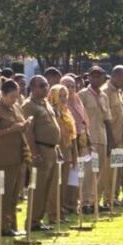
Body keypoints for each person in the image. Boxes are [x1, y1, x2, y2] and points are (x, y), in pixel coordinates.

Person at [22, 76, 61, 231]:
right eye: (41, 86)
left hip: (51, 149)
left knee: (47, 187)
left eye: (46, 85)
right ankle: (31, 221)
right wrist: (34, 152)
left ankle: (38, 220)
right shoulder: (29, 106)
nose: (46, 88)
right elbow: (28, 131)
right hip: (40, 149)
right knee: (37, 187)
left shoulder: (45, 103)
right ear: (33, 88)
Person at [0, 80, 28, 236]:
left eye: (17, 96)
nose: (15, 100)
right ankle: (4, 227)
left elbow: (20, 124)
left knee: (14, 195)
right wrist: (11, 129)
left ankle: (12, 225)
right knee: (4, 195)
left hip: (17, 157)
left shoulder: (16, 107)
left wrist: (24, 125)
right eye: (12, 96)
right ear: (3, 95)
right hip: (3, 158)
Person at [77, 67, 110, 214]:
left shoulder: (104, 96)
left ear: (104, 78)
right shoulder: (82, 95)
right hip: (89, 139)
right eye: (93, 76)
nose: (96, 79)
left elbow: (107, 119)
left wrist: (111, 139)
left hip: (102, 137)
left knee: (100, 171)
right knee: (89, 171)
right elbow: (79, 117)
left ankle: (95, 200)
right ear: (88, 77)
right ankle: (85, 203)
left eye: (99, 76)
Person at [101, 67, 123, 211]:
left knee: (117, 170)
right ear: (115, 76)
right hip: (112, 140)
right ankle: (107, 198)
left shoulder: (118, 92)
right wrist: (111, 139)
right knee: (109, 171)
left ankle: (114, 196)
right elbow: (107, 118)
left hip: (120, 139)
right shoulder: (106, 91)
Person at [49, 83, 78, 213]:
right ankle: (53, 207)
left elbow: (73, 134)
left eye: (65, 95)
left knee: (65, 180)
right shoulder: (52, 112)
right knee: (56, 181)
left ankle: (61, 206)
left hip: (67, 150)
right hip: (57, 150)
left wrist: (74, 154)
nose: (63, 98)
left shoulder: (66, 111)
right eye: (60, 96)